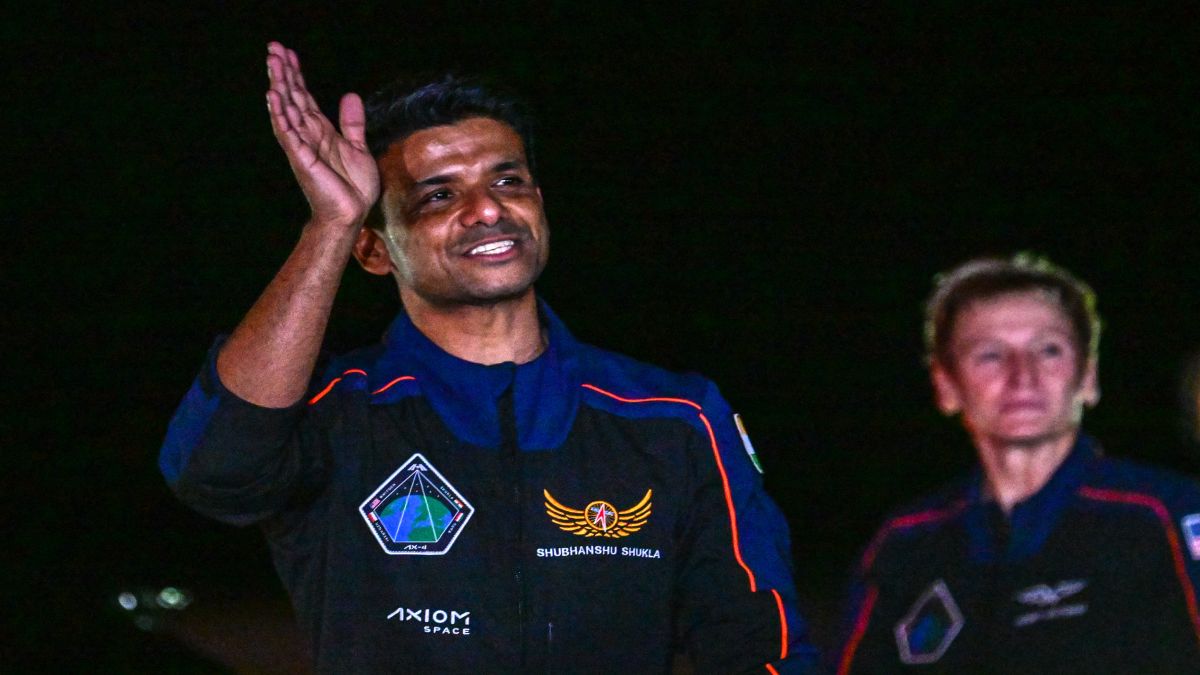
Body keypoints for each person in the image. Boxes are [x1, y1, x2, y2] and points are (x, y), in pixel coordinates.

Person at [159, 42, 818, 673]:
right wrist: (329, 224)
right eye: (438, 195)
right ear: (373, 249)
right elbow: (213, 471)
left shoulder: (676, 419)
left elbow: (761, 645)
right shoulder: (341, 413)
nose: (487, 209)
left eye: (510, 180)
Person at [831, 254, 1200, 673]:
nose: (1022, 375)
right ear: (946, 385)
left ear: (1088, 377)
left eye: (1048, 350)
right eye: (990, 355)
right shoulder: (906, 546)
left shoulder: (1167, 515)